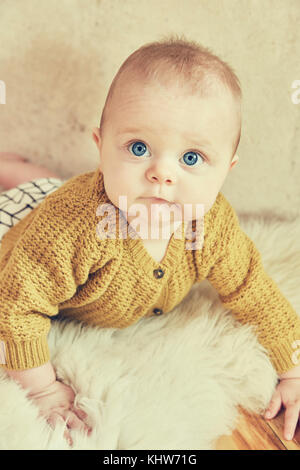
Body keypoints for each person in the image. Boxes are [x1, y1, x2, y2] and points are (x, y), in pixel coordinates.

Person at [0, 35, 300, 447]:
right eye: (139, 148)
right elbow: (16, 304)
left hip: (56, 199)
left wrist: (293, 369)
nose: (162, 173)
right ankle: (15, 172)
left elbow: (254, 289)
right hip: (16, 227)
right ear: (101, 146)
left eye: (191, 158)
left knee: (48, 187)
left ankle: (25, 170)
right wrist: (41, 389)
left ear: (226, 170)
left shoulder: (211, 227)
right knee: (32, 198)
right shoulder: (74, 228)